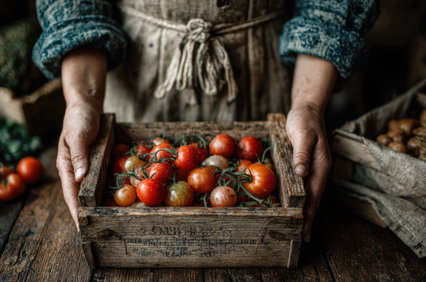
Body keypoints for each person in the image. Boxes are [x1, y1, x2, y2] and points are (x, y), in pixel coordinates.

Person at [33, 0, 377, 242]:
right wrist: (80, 102)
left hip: (262, 70)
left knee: (268, 183)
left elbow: (330, 6)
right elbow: (75, 6)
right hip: (136, 73)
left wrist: (309, 105)